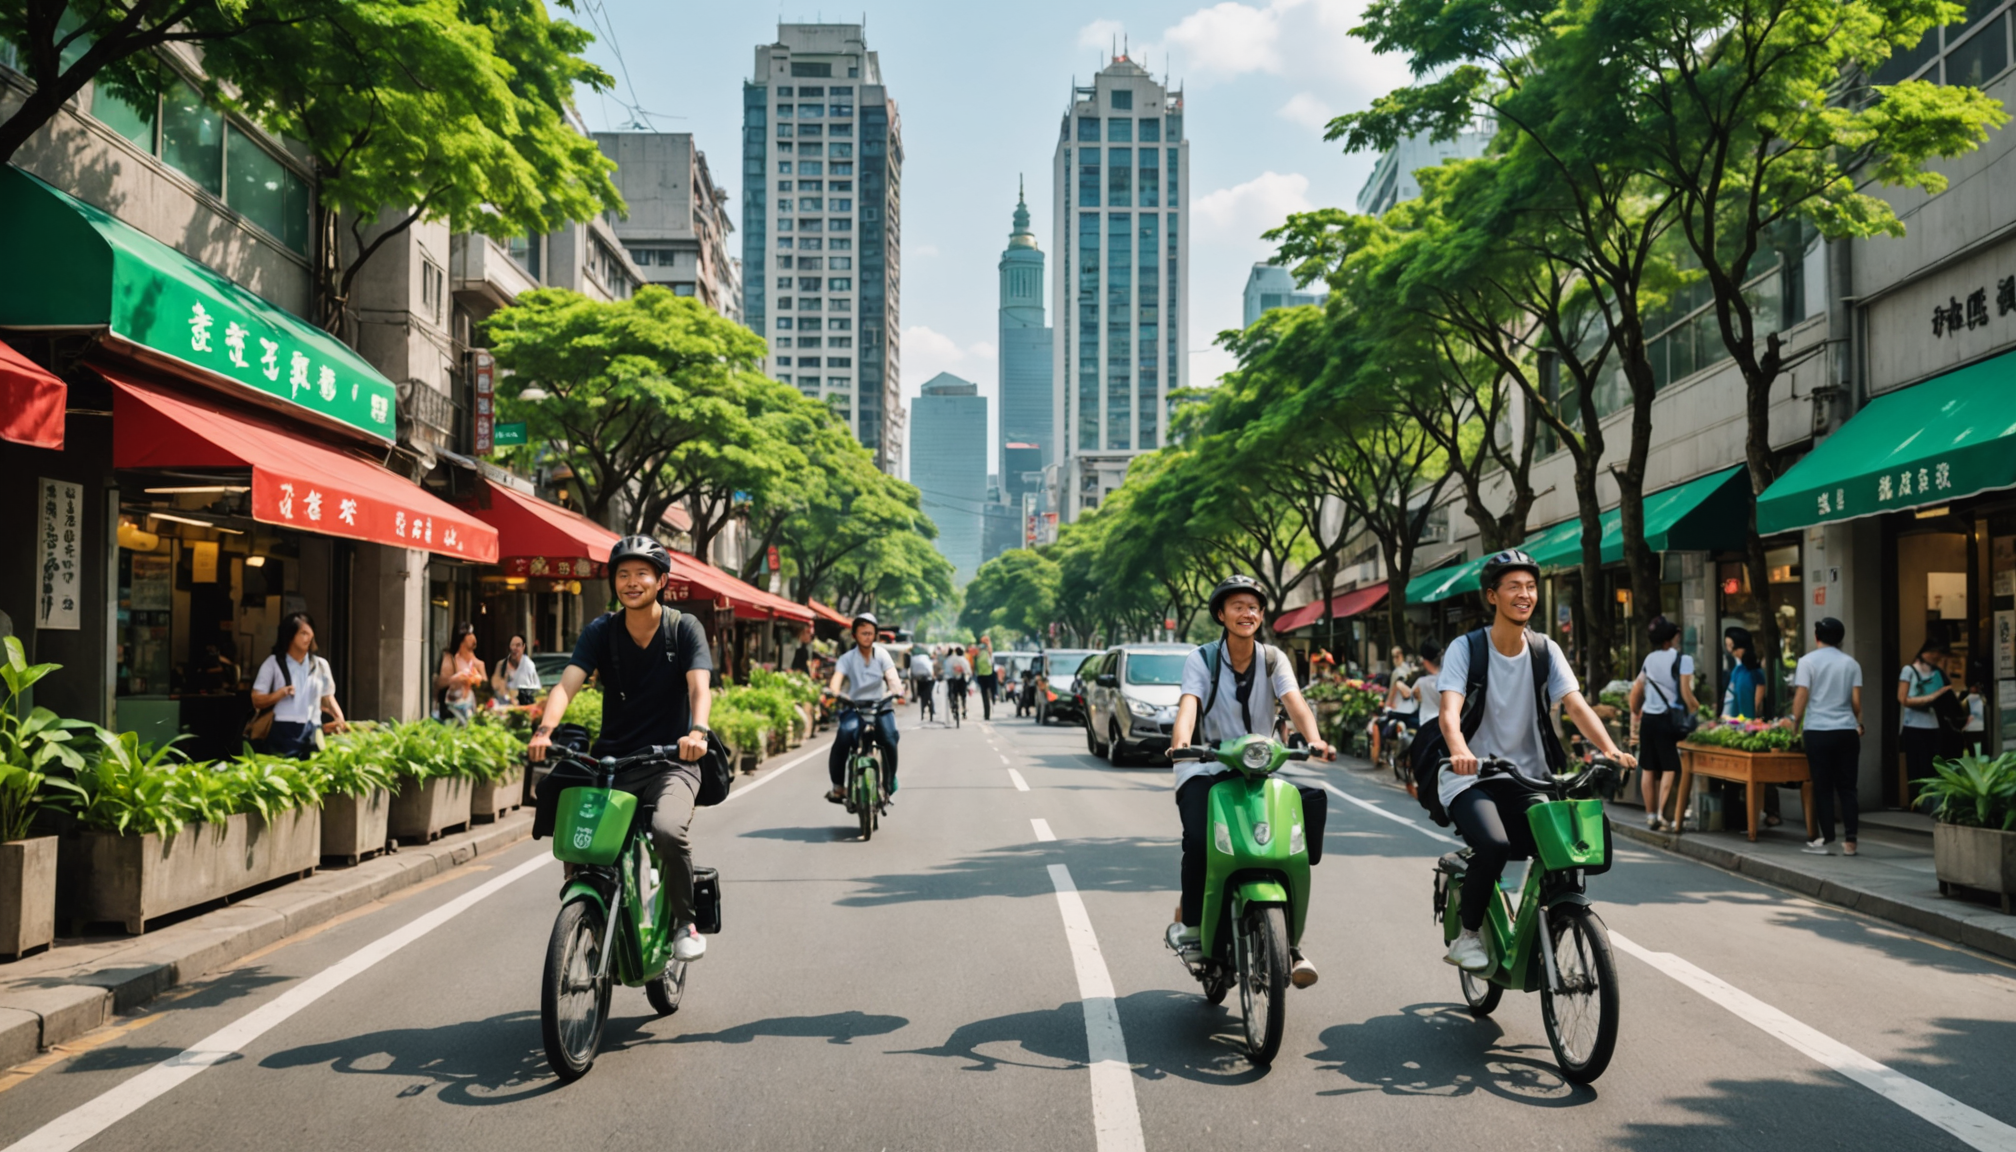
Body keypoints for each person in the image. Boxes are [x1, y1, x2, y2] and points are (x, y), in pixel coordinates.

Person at [1435, 551, 1635, 973]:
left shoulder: (1546, 650)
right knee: (1495, 845)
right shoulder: (1466, 648)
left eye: (1529, 587)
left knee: (1563, 850)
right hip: (1472, 778)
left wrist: (1609, 748)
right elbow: (1449, 711)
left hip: (1530, 777)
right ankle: (1468, 934)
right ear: (1492, 596)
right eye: (1513, 587)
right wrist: (1460, 750)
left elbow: (1576, 706)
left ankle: (1557, 919)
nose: (1524, 594)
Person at [529, 535, 715, 962]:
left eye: (642, 574)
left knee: (668, 830)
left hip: (672, 759)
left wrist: (697, 733)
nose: (632, 582)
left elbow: (698, 687)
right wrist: (545, 729)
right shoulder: (601, 631)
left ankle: (683, 919)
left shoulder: (683, 628)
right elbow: (566, 683)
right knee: (577, 829)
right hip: (614, 761)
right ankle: (587, 907)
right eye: (623, 575)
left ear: (661, 580)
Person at [1169, 575, 1335, 989]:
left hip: (1259, 767)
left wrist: (1313, 740)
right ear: (1221, 614)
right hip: (1205, 765)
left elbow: (1294, 701)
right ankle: (1191, 922)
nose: (1247, 613)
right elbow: (1189, 703)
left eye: (1254, 607)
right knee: (1199, 840)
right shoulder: (1202, 659)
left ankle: (1289, 941)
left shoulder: (1273, 658)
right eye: (1238, 606)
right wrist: (1181, 743)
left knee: (1303, 814)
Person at [1792, 617, 1864, 856]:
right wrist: (1858, 723)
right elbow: (1856, 702)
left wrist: (1795, 723)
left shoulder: (1807, 661)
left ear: (1816, 636)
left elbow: (1802, 695)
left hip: (1818, 730)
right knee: (1847, 786)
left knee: (1822, 786)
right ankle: (1851, 842)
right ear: (1840, 639)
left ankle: (1828, 838)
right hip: (1846, 730)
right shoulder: (1851, 664)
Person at [1629, 615, 1698, 832]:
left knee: (1649, 767)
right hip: (1670, 719)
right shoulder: (1683, 660)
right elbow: (1686, 694)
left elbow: (1637, 690)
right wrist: (1698, 710)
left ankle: (1650, 815)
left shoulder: (1650, 659)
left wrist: (1634, 710)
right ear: (1670, 639)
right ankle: (1664, 814)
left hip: (1649, 719)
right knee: (1671, 766)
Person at [827, 614, 904, 804]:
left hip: (881, 706)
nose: (867, 637)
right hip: (855, 707)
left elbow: (892, 677)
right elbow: (836, 680)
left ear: (875, 635)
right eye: (863, 633)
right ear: (855, 635)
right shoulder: (846, 658)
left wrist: (896, 689)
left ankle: (888, 781)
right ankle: (838, 786)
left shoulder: (882, 655)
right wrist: (833, 691)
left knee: (890, 736)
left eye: (870, 633)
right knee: (844, 734)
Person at [250, 613, 348, 759]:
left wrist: (340, 718)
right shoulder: (273, 663)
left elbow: (327, 697)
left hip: (313, 730)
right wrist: (279, 694)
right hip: (283, 729)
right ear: (290, 635)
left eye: (310, 633)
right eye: (303, 633)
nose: (308, 637)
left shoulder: (320, 665)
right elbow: (256, 699)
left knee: (314, 774)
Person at [1898, 639, 1952, 812]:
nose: (1936, 656)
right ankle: (1916, 802)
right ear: (1923, 652)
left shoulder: (1937, 672)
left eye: (1939, 653)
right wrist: (1931, 698)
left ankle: (1930, 803)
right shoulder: (1909, 670)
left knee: (1931, 767)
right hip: (1913, 725)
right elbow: (1903, 698)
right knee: (1915, 766)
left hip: (1933, 724)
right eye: (1933, 652)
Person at [434, 623, 484, 726]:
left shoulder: (471, 659)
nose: (473, 637)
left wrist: (476, 678)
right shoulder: (450, 658)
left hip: (468, 705)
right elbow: (440, 683)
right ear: (462, 640)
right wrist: (455, 678)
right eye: (469, 634)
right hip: (453, 709)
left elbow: (480, 678)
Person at [1721, 626, 1766, 720]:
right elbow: (1730, 697)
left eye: (1731, 645)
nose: (1729, 649)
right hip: (1735, 720)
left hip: (1748, 721)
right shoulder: (1737, 670)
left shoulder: (1755, 672)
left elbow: (1757, 704)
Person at [492, 634, 543, 706]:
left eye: (518, 645)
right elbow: (495, 685)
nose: (515, 648)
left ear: (523, 647)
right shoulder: (501, 665)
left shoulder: (529, 665)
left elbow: (536, 688)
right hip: (504, 707)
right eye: (512, 645)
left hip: (525, 707)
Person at [909, 645, 936, 721]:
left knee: (921, 695)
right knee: (930, 695)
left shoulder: (913, 659)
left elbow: (912, 671)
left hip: (920, 680)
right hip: (929, 679)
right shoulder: (927, 657)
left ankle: (922, 705)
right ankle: (932, 709)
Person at [946, 645, 973, 721]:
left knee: (952, 694)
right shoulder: (964, 660)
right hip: (962, 680)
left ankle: (953, 707)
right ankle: (964, 709)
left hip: (953, 680)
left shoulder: (951, 659)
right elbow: (968, 672)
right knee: (963, 696)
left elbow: (947, 671)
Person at [974, 637, 997, 721]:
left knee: (984, 696)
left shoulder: (979, 651)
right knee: (991, 692)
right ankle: (994, 698)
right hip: (989, 675)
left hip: (981, 676)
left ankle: (986, 714)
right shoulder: (989, 651)